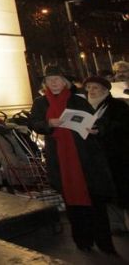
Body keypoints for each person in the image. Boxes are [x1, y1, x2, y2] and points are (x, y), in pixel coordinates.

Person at [29, 65, 116, 253]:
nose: (54, 82)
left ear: (65, 82)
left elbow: (98, 122)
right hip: (61, 158)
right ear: (45, 83)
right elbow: (34, 123)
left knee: (95, 200)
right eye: (50, 79)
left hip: (86, 157)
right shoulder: (40, 103)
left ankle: (105, 243)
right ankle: (83, 242)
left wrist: (96, 129)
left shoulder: (78, 100)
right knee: (72, 200)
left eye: (57, 79)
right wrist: (48, 124)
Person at [84, 75, 129, 235]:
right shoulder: (85, 107)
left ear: (104, 90)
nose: (91, 91)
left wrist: (103, 130)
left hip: (116, 154)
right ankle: (116, 224)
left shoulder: (117, 105)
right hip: (96, 156)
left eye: (95, 88)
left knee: (122, 189)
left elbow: (123, 126)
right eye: (88, 88)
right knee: (106, 191)